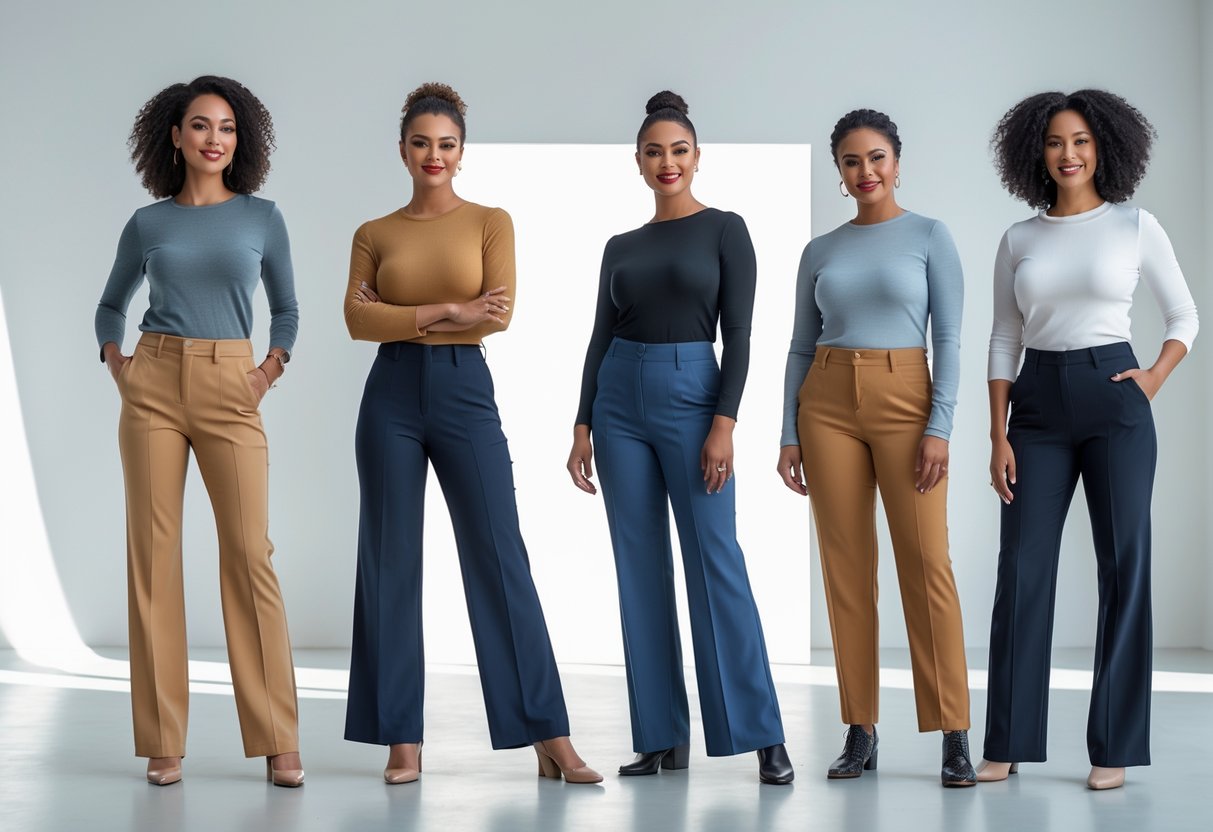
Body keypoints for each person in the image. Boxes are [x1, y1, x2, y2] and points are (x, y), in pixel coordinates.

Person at [343, 82, 600, 785]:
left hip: (464, 390)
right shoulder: (374, 232)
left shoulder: (491, 220)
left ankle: (549, 733)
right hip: (389, 394)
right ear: (401, 149)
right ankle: (401, 737)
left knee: (497, 552)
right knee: (390, 559)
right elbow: (356, 322)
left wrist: (411, 311)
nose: (434, 154)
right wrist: (451, 306)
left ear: (462, 152)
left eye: (446, 144)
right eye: (421, 142)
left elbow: (498, 316)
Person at [567, 90, 793, 785]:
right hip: (618, 400)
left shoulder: (725, 229)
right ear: (637, 162)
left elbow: (743, 336)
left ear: (696, 157)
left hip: (694, 392)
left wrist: (723, 422)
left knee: (713, 559)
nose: (667, 162)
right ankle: (660, 736)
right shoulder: (619, 246)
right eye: (654, 152)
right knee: (637, 569)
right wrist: (581, 422)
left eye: (679, 150)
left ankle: (762, 736)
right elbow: (599, 336)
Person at [978, 90, 1198, 791]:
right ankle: (1006, 741)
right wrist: (995, 434)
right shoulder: (1019, 238)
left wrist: (1152, 380)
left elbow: (1184, 315)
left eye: (1079, 140)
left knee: (1122, 567)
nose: (1067, 154)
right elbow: (1004, 337)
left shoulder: (1135, 225)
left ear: (1102, 145)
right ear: (1033, 154)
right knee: (1021, 570)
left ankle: (1114, 747)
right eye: (1052, 142)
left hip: (1113, 395)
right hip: (1035, 406)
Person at [95, 75, 304, 787]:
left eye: (226, 128)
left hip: (230, 383)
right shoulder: (148, 224)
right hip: (152, 382)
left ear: (239, 141)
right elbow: (109, 305)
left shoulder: (261, 217)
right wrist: (118, 363)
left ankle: (278, 736)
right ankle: (163, 741)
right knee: (153, 559)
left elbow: (288, 311)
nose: (214, 138)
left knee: (249, 555)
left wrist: (266, 373)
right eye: (199, 126)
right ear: (175, 138)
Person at [777, 109, 975, 786]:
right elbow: (801, 345)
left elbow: (947, 338)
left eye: (877, 158)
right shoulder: (819, 250)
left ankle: (952, 730)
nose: (866, 172)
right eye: (851, 162)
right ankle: (859, 728)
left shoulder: (928, 236)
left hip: (904, 396)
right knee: (845, 567)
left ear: (897, 161)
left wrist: (939, 426)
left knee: (925, 563)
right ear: (837, 172)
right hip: (826, 400)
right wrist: (786, 432)